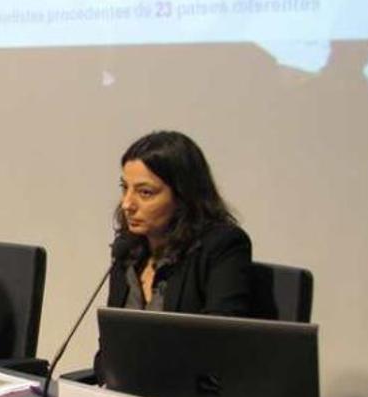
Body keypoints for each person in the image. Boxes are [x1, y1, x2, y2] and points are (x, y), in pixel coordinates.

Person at [95, 130, 252, 383]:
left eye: (145, 193)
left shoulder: (221, 246)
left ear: (183, 197)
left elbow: (221, 348)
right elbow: (109, 351)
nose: (127, 204)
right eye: (125, 188)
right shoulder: (128, 251)